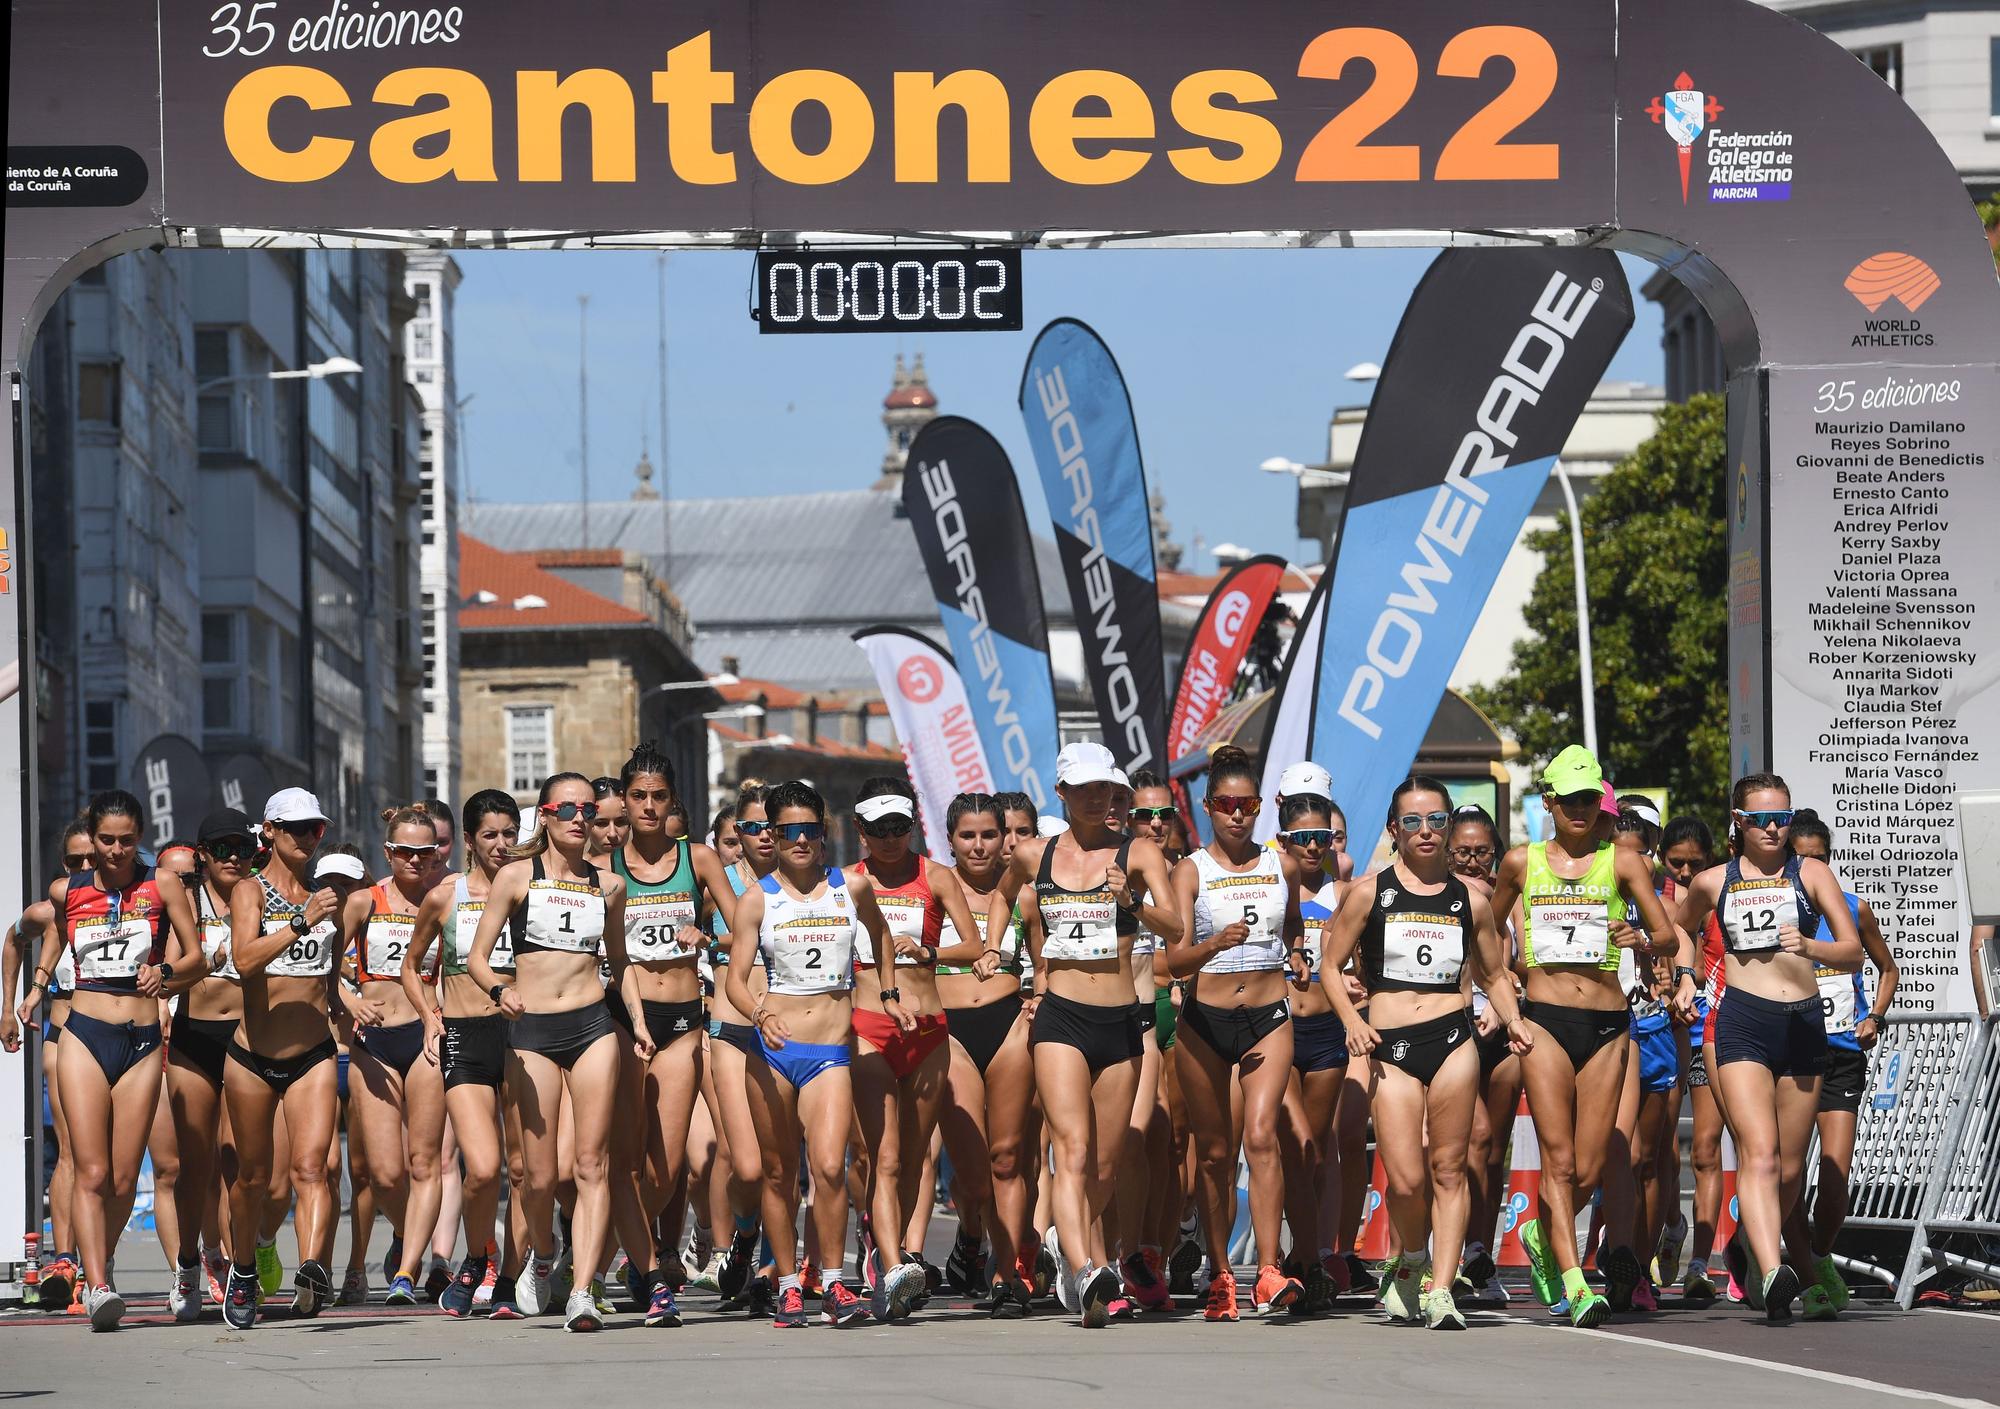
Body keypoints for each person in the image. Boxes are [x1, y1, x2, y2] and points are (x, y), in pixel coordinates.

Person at [1322, 776, 1529, 1330]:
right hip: (1389, 1046)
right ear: (1394, 829)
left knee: (1449, 1168)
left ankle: (1442, 1286)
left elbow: (1493, 971)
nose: (1425, 832)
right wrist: (1351, 1024)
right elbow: (1329, 966)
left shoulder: (1472, 899)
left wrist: (1512, 1018)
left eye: (1435, 820)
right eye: (1411, 821)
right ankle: (1411, 1256)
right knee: (1406, 1180)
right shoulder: (1370, 892)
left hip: (1453, 1041)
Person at [990, 741, 1182, 1327]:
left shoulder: (1141, 852)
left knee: (1106, 1161)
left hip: (1121, 1018)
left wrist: (1134, 902)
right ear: (1064, 794)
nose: (1101, 798)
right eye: (1089, 789)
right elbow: (1000, 897)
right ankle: (1084, 1269)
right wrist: (998, 953)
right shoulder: (1033, 854)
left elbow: (1175, 926)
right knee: (1070, 1149)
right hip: (1061, 1018)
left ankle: (1075, 1251)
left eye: (1108, 789)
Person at [1487, 747, 1674, 1327]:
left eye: (1589, 799)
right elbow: (1487, 930)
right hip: (1545, 1022)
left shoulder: (1622, 863)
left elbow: (1668, 937)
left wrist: (1637, 937)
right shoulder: (1522, 862)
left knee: (1592, 1164)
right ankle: (1575, 1282)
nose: (1579, 810)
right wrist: (1506, 986)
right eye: (1568, 800)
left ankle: (1545, 1237)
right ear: (1549, 802)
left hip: (1608, 1027)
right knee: (1560, 1160)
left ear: (1601, 803)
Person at [1672, 773, 1863, 1321]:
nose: (1775, 828)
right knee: (1756, 1151)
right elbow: (1679, 929)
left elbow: (1852, 952)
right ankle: (1772, 1266)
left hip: (1804, 1023)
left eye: (1782, 816)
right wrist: (1686, 975)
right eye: (1761, 819)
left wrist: (1810, 945)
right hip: (1743, 1022)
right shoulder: (1714, 881)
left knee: (1786, 1166)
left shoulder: (1812, 872)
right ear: (1739, 822)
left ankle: (1764, 1260)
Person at [725, 780, 910, 1329]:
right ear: (772, 836)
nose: (801, 840)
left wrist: (890, 992)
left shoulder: (850, 887)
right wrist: (760, 1013)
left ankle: (832, 1281)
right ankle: (786, 1283)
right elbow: (735, 979)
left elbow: (881, 937)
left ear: (823, 832)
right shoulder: (758, 897)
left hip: (831, 1049)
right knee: (780, 1174)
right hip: (775, 1048)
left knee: (830, 1166)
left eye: (810, 829)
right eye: (788, 831)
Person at [26, 791, 205, 1329]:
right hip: (83, 1032)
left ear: (140, 837)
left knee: (125, 1177)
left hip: (142, 1038)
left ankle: (101, 1263)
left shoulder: (163, 885)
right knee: (92, 1168)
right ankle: (98, 1283)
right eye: (107, 840)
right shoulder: (67, 891)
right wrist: (33, 991)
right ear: (93, 838)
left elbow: (196, 956)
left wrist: (167, 976)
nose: (117, 850)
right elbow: (39, 935)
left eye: (128, 840)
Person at [469, 773, 636, 1332]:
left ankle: (583, 1290)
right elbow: (478, 957)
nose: (579, 817)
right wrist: (499, 990)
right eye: (566, 808)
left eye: (586, 808)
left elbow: (620, 962)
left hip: (591, 1025)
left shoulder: (609, 886)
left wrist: (635, 1022)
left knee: (592, 1165)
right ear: (544, 814)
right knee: (538, 1177)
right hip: (532, 1028)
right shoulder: (518, 875)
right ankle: (542, 1255)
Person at [1166, 745, 1308, 1319]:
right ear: (1208, 808)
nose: (1237, 814)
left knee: (1262, 1135)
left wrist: (1296, 953)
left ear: (1260, 808)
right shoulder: (1190, 870)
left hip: (1268, 1017)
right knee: (1215, 1154)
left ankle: (1269, 1270)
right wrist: (1212, 945)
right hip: (1204, 1022)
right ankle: (1221, 1271)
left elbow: (1292, 921)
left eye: (1247, 804)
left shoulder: (1284, 866)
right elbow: (1174, 960)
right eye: (1225, 804)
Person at [604, 741, 740, 1328]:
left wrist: (705, 939)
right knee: (622, 1158)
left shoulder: (699, 859)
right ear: (625, 801)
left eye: (660, 797)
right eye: (639, 797)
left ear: (672, 801)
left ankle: (630, 1254)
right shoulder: (603, 864)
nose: (649, 807)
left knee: (664, 1170)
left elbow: (744, 932)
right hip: (618, 1019)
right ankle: (644, 1266)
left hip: (682, 1021)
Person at [846, 777, 991, 1319]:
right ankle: (891, 1264)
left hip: (928, 1031)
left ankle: (901, 1250)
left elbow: (974, 943)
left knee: (914, 1154)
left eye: (900, 828)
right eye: (879, 830)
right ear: (860, 831)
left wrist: (927, 948)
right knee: (881, 1156)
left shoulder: (936, 876)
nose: (890, 839)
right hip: (868, 1025)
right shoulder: (849, 882)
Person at [221, 790, 355, 1328]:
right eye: (296, 828)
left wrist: (353, 1007)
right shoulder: (249, 891)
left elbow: (333, 976)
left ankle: (311, 1267)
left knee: (312, 1167)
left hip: (314, 1055)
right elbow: (245, 960)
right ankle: (245, 1270)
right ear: (270, 831)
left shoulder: (329, 898)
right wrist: (299, 922)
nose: (307, 838)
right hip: (252, 1055)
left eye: (316, 829)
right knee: (253, 1179)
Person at [405, 790, 522, 1317]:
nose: (501, 845)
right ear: (469, 841)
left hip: (523, 1039)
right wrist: (432, 1018)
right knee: (483, 1166)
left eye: (509, 834)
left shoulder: (532, 888)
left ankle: (511, 1276)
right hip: (466, 1035)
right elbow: (411, 966)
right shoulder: (446, 895)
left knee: (523, 1171)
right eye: (490, 835)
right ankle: (477, 1256)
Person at [1780, 807, 1898, 1311]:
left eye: (1821, 859)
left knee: (1834, 1179)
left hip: (1841, 1055)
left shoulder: (1852, 910)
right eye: (1803, 860)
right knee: (1787, 1173)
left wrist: (1874, 1015)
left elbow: (1887, 968)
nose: (1813, 869)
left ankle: (1820, 1254)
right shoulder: (1772, 910)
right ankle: (1800, 1268)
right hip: (1789, 1054)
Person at [933, 792, 1036, 1315]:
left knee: (1008, 1158)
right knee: (973, 1177)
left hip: (1009, 1027)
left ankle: (1007, 1274)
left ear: (1005, 838)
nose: (978, 846)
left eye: (989, 835)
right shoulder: (932, 887)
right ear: (950, 839)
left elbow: (1049, 959)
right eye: (967, 836)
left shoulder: (1022, 892)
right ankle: (972, 1231)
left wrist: (1037, 999)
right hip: (949, 1032)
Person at [343, 805, 448, 1305]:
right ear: (388, 852)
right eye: (404, 851)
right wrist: (350, 1001)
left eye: (424, 852)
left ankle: (407, 1271)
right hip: (374, 1044)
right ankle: (412, 1233)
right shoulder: (367, 901)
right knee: (385, 1173)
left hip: (427, 1038)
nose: (414, 860)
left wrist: (446, 1010)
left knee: (424, 1161)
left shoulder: (446, 900)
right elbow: (322, 968)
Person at [160, 810, 261, 1321]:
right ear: (202, 855)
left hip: (248, 1039)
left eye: (243, 849)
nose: (234, 859)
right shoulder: (188, 900)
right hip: (195, 1037)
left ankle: (241, 1261)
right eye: (222, 849)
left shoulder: (259, 896)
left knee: (244, 1165)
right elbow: (175, 968)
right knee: (194, 1164)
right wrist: (172, 975)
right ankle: (188, 1265)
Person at [4, 821, 93, 1311]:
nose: (82, 870)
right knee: (73, 1154)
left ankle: (98, 1264)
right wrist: (8, 1005)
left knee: (114, 1166)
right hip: (63, 1034)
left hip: (121, 1038)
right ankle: (65, 1260)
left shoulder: (125, 906)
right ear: (62, 867)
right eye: (73, 862)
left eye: (90, 862)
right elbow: (13, 940)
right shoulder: (49, 910)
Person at [1274, 785, 1350, 1310]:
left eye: (1321, 837)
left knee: (1317, 1153)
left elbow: (1360, 960)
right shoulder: (1269, 884)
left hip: (1327, 1031)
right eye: (1302, 837)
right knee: (1289, 1148)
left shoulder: (1344, 892)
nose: (1313, 846)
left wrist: (1360, 982)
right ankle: (1289, 1260)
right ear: (1284, 839)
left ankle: (1309, 1255)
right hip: (1278, 1027)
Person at [704, 783, 779, 1310]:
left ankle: (772, 1272)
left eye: (773, 826)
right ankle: (743, 1235)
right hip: (730, 1027)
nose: (762, 836)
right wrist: (701, 939)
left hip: (787, 1031)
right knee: (746, 1165)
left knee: (781, 1164)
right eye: (749, 828)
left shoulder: (814, 889)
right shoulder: (718, 883)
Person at [1448, 802, 1517, 1304]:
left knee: (1492, 1152)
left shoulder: (1509, 898)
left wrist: (1509, 991)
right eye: (1463, 853)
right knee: (1467, 1139)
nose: (1473, 863)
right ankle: (1441, 1256)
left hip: (1503, 1032)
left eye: (1482, 853)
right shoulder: (1437, 896)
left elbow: (1523, 966)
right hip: (1453, 1029)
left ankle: (1478, 1253)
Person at [1657, 815, 1721, 1300]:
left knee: (1705, 1149)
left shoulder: (1719, 898)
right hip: (1663, 1031)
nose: (1682, 873)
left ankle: (1700, 1263)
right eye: (1674, 863)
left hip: (1713, 1033)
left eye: (1693, 864)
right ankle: (1672, 1223)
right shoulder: (1650, 900)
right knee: (1659, 1148)